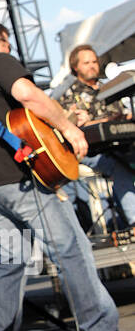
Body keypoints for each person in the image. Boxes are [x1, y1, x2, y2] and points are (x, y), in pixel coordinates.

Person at [0, 20, 134, 331]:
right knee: (72, 251)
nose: (11, 54)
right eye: (8, 47)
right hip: (22, 183)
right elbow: (29, 95)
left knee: (9, 264)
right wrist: (67, 126)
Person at [57, 44, 135, 231]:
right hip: (90, 152)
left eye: (94, 62)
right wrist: (103, 121)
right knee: (118, 167)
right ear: (76, 67)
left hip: (119, 145)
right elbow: (70, 126)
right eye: (87, 63)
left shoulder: (109, 88)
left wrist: (124, 118)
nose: (92, 66)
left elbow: (121, 118)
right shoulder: (68, 94)